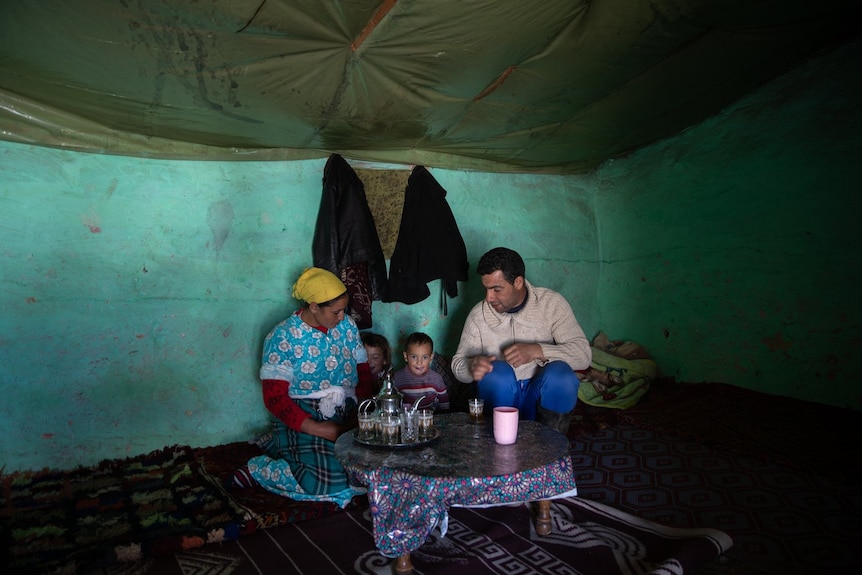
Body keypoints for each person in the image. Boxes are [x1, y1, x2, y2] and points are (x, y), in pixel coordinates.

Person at [231, 267, 373, 508]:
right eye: (335, 311)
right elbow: (275, 399)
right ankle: (261, 470)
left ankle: (280, 445)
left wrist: (365, 412)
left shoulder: (347, 327)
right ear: (314, 306)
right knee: (331, 481)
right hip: (303, 415)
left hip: (347, 412)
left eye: (344, 310)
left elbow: (363, 373)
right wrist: (319, 429)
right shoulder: (284, 336)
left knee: (367, 475)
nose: (342, 317)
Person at [450, 247, 591, 434]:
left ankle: (551, 445)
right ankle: (498, 444)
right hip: (502, 400)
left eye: (497, 289)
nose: (489, 297)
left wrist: (537, 351)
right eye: (486, 289)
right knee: (497, 372)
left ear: (518, 282)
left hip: (539, 396)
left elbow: (583, 355)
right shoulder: (479, 315)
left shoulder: (551, 304)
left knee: (561, 375)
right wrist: (471, 366)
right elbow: (457, 363)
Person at [393, 332, 450, 411]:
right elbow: (393, 403)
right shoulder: (397, 378)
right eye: (414, 357)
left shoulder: (436, 378)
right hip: (407, 420)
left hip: (430, 419)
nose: (419, 362)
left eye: (425, 357)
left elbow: (444, 403)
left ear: (431, 358)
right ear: (406, 357)